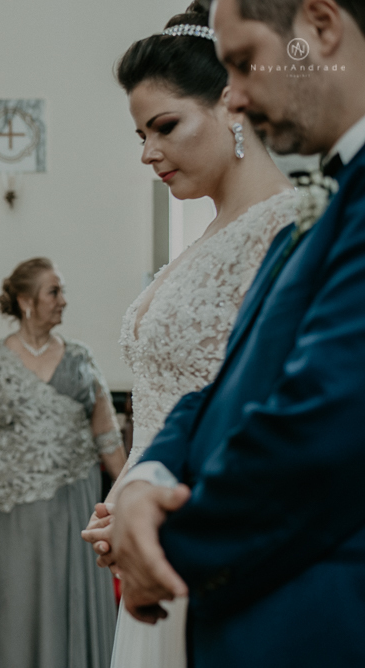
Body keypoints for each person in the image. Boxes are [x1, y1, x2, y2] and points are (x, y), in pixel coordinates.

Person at [107, 0, 365, 665]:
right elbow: (218, 389)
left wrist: (165, 540)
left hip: (282, 574)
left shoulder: (307, 213)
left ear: (323, 27)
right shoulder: (323, 207)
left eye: (245, 62)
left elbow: (325, 414)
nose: (239, 96)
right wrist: (143, 480)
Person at [79, 4, 301, 667]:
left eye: (165, 127)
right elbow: (164, 402)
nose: (149, 153)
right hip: (155, 528)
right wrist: (124, 496)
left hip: (214, 537)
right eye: (140, 136)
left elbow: (265, 410)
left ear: (232, 104)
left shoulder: (287, 228)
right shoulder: (202, 238)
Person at [0, 257, 126, 668]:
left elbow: (106, 434)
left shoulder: (81, 357)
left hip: (76, 498)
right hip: (16, 506)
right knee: (19, 599)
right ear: (26, 300)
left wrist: (128, 493)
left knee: (73, 595)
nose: (63, 301)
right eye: (55, 291)